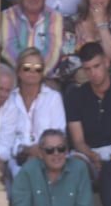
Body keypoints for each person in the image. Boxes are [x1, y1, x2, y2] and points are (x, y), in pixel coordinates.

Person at [64, 42, 111, 175]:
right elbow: (78, 141)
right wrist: (92, 156)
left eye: (96, 66)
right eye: (88, 69)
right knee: (75, 165)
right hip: (87, 152)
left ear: (106, 63)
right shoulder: (75, 96)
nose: (93, 73)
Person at [5, 47, 67, 177]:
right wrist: (26, 150)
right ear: (18, 72)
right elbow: (6, 137)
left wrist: (40, 150)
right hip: (16, 158)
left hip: (46, 156)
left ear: (42, 73)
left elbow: (59, 133)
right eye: (27, 67)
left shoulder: (53, 98)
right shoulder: (10, 98)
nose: (32, 72)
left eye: (38, 68)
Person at [1, 0, 67, 78]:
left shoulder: (55, 18)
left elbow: (53, 53)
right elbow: (9, 51)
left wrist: (35, 76)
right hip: (16, 78)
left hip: (44, 78)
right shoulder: (7, 16)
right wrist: (27, 75)